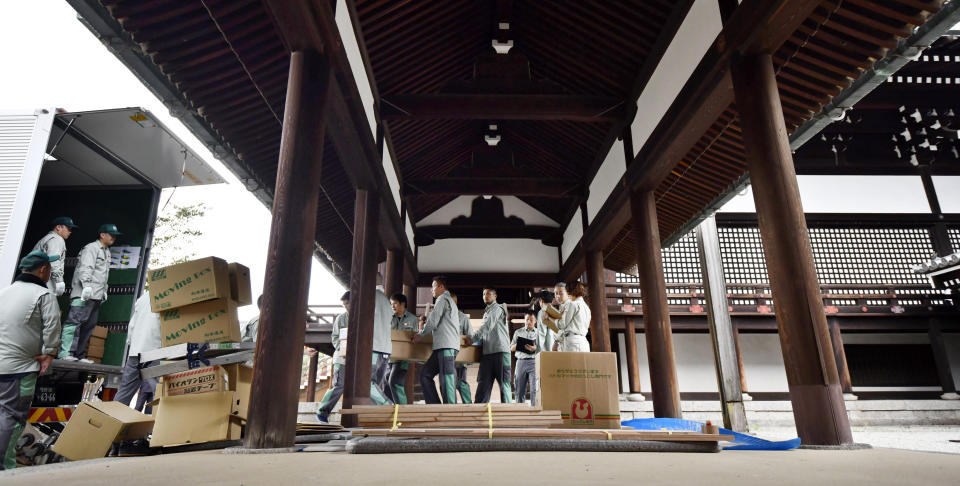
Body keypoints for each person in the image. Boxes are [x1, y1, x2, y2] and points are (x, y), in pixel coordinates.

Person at [0, 251, 61, 470]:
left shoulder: (5, 292)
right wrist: (50, 353)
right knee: (11, 416)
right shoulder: (43, 295)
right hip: (20, 369)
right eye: (50, 268)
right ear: (43, 269)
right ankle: (4, 468)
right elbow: (52, 325)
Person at [60, 223, 121, 363]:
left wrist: (104, 291)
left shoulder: (107, 252)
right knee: (74, 323)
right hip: (83, 294)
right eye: (111, 235)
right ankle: (66, 353)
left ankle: (79, 355)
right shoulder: (91, 248)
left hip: (96, 296)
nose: (114, 238)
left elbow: (103, 275)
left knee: (88, 326)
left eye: (115, 236)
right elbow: (85, 268)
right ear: (102, 234)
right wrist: (86, 286)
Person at [414, 276, 469, 404]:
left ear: (441, 287)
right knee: (425, 375)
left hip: (446, 346)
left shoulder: (443, 299)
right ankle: (435, 406)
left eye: (433, 287)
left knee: (447, 379)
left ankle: (451, 411)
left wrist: (420, 334)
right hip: (442, 347)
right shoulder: (447, 301)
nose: (431, 290)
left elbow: (433, 321)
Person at [115, 290, 162, 413]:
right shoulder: (170, 295)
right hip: (155, 349)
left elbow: (132, 324)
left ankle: (111, 422)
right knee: (158, 390)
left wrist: (132, 343)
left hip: (136, 351)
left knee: (125, 390)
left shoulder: (144, 297)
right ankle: (162, 428)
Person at [471, 286, 513, 403]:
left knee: (504, 385)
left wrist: (472, 338)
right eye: (484, 294)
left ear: (495, 296)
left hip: (501, 352)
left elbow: (487, 326)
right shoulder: (486, 313)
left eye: (489, 294)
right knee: (482, 385)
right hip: (487, 354)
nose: (486, 296)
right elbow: (484, 333)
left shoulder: (498, 309)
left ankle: (508, 414)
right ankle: (478, 415)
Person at [317, 291, 350, 423]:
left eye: (348, 303)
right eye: (344, 304)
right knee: (339, 385)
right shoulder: (341, 318)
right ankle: (323, 411)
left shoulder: (364, 316)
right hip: (341, 358)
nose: (346, 306)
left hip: (359, 359)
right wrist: (343, 348)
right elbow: (335, 337)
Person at [31, 216, 78, 296]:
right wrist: (59, 281)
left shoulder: (46, 238)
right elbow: (53, 261)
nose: (70, 231)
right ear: (58, 227)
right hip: (42, 283)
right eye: (68, 228)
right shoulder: (56, 239)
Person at [386, 293, 418, 404]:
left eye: (395, 303)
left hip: (404, 358)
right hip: (389, 357)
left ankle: (402, 410)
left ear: (402, 304)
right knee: (386, 384)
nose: (392, 306)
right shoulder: (388, 317)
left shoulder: (413, 319)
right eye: (391, 304)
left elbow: (416, 337)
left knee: (394, 382)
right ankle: (392, 410)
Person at [370, 287, 395, 405]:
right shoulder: (386, 301)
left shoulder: (370, 296)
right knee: (375, 385)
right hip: (386, 350)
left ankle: (388, 405)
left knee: (367, 383)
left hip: (375, 348)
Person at [512, 309, 540, 405]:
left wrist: (535, 348)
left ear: (535, 321)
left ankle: (534, 410)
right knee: (519, 389)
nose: (529, 322)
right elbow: (511, 347)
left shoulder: (539, 333)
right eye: (527, 319)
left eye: (531, 320)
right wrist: (519, 345)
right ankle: (520, 409)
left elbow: (542, 348)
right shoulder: (518, 332)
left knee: (534, 389)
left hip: (534, 362)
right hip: (520, 362)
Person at [552, 281, 591, 352]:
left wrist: (555, 319)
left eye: (567, 291)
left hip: (572, 341)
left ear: (571, 291)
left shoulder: (573, 304)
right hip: (583, 341)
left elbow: (562, 324)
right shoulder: (586, 307)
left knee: (570, 363)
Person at [449, 291, 472, 404]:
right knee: (449, 383)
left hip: (460, 356)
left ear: (456, 302)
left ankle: (468, 405)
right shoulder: (442, 317)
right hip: (446, 356)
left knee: (460, 382)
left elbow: (470, 335)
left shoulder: (463, 318)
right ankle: (452, 407)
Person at [536, 289, 557, 354]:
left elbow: (541, 333)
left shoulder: (542, 312)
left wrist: (538, 352)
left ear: (541, 301)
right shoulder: (556, 312)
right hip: (557, 348)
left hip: (547, 351)